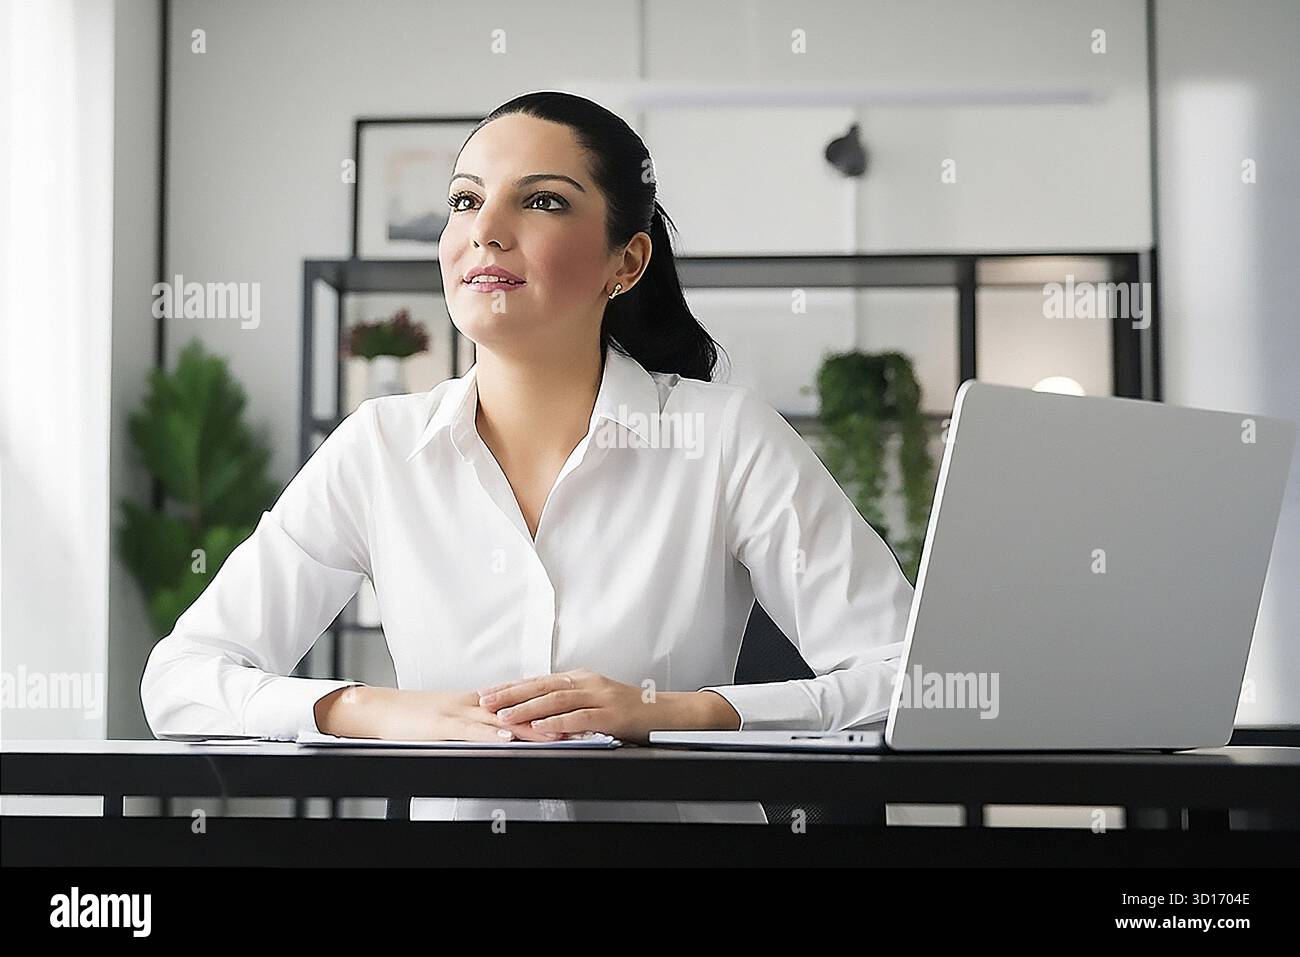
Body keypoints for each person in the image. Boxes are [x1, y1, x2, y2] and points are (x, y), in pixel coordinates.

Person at [140, 90, 914, 823]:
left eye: (542, 200)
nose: (485, 229)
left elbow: (906, 678)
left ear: (627, 262)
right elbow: (182, 680)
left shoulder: (726, 435)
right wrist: (374, 710)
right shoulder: (379, 448)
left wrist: (677, 712)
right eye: (466, 200)